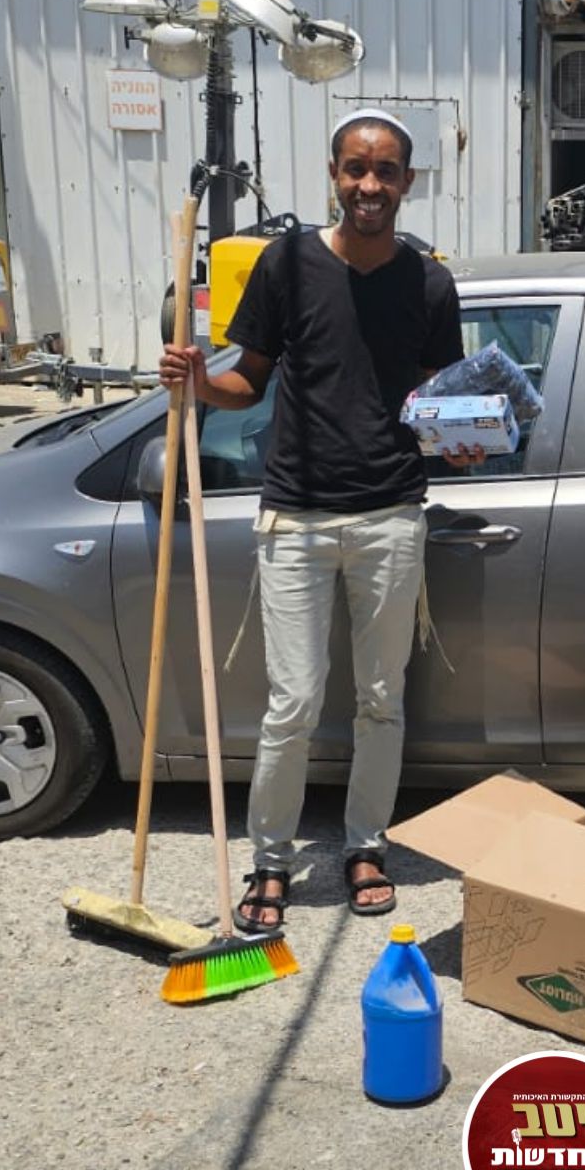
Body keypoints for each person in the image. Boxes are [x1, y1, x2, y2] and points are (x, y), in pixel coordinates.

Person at [159, 108, 473, 932]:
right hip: (294, 517)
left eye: (386, 171)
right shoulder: (288, 264)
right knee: (292, 703)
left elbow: (442, 404)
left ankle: (365, 846)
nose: (370, 185)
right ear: (334, 174)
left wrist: (463, 441)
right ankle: (271, 859)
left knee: (381, 699)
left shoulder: (430, 284)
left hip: (391, 514)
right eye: (355, 169)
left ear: (407, 181)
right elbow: (248, 380)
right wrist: (199, 382)